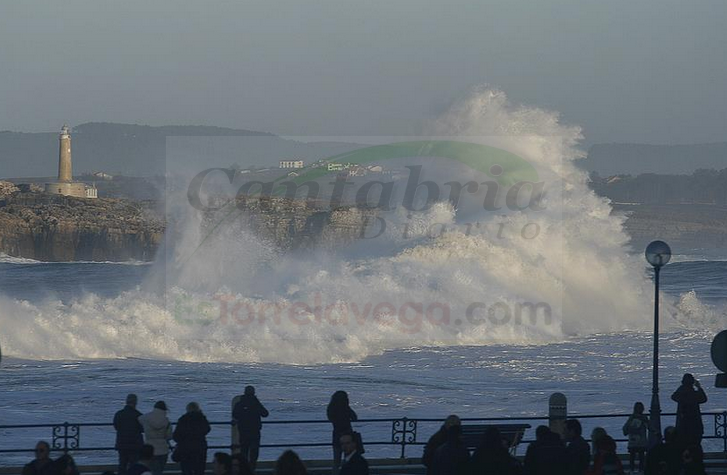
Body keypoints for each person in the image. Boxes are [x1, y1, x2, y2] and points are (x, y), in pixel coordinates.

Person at [232, 385, 269, 471]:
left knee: (244, 451)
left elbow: (235, 415)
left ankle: (244, 470)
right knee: (254, 453)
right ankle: (252, 470)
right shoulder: (256, 403)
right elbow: (265, 414)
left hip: (243, 431)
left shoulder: (240, 403)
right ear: (254, 393)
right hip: (255, 431)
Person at [173, 402, 211, 475]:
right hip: (200, 448)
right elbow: (207, 429)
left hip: (186, 449)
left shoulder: (183, 419)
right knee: (199, 470)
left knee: (186, 470)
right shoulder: (202, 418)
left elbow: (176, 436)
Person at [671, 373, 707, 449]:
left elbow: (673, 396)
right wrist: (699, 387)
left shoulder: (681, 392)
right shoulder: (693, 394)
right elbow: (703, 399)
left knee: (683, 446)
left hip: (683, 424)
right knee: (695, 445)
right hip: (695, 424)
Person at [327, 391, 358, 475]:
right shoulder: (346, 408)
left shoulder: (331, 408)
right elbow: (355, 418)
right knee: (348, 459)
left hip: (336, 435)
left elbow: (330, 418)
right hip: (348, 435)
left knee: (336, 461)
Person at [139, 401, 173, 475]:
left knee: (151, 470)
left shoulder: (145, 418)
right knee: (159, 471)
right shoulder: (167, 421)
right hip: (163, 449)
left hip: (149, 449)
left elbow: (139, 419)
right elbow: (169, 436)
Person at [114, 394, 144, 475]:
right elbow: (142, 429)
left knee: (122, 465)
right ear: (135, 403)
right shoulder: (138, 415)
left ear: (126, 402)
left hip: (122, 443)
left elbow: (116, 426)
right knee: (134, 466)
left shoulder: (119, 414)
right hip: (135, 444)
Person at [622, 402, 648, 474]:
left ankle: (632, 470)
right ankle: (641, 470)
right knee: (641, 457)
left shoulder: (632, 417)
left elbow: (626, 428)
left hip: (632, 441)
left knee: (632, 457)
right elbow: (649, 426)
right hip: (642, 441)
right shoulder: (644, 418)